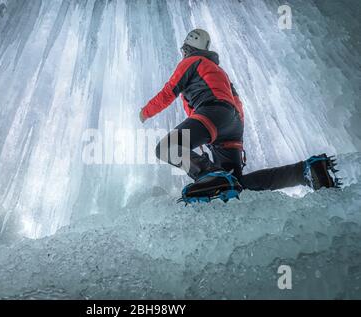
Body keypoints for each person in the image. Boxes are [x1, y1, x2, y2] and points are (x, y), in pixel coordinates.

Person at [139, 29, 339, 203]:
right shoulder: (220, 72)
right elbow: (237, 104)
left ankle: (208, 174)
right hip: (231, 123)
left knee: (166, 148)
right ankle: (306, 172)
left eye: (183, 49)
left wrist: (145, 112)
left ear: (187, 48)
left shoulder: (192, 61)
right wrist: (234, 137)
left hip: (212, 113)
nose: (182, 53)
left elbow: (169, 91)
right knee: (236, 184)